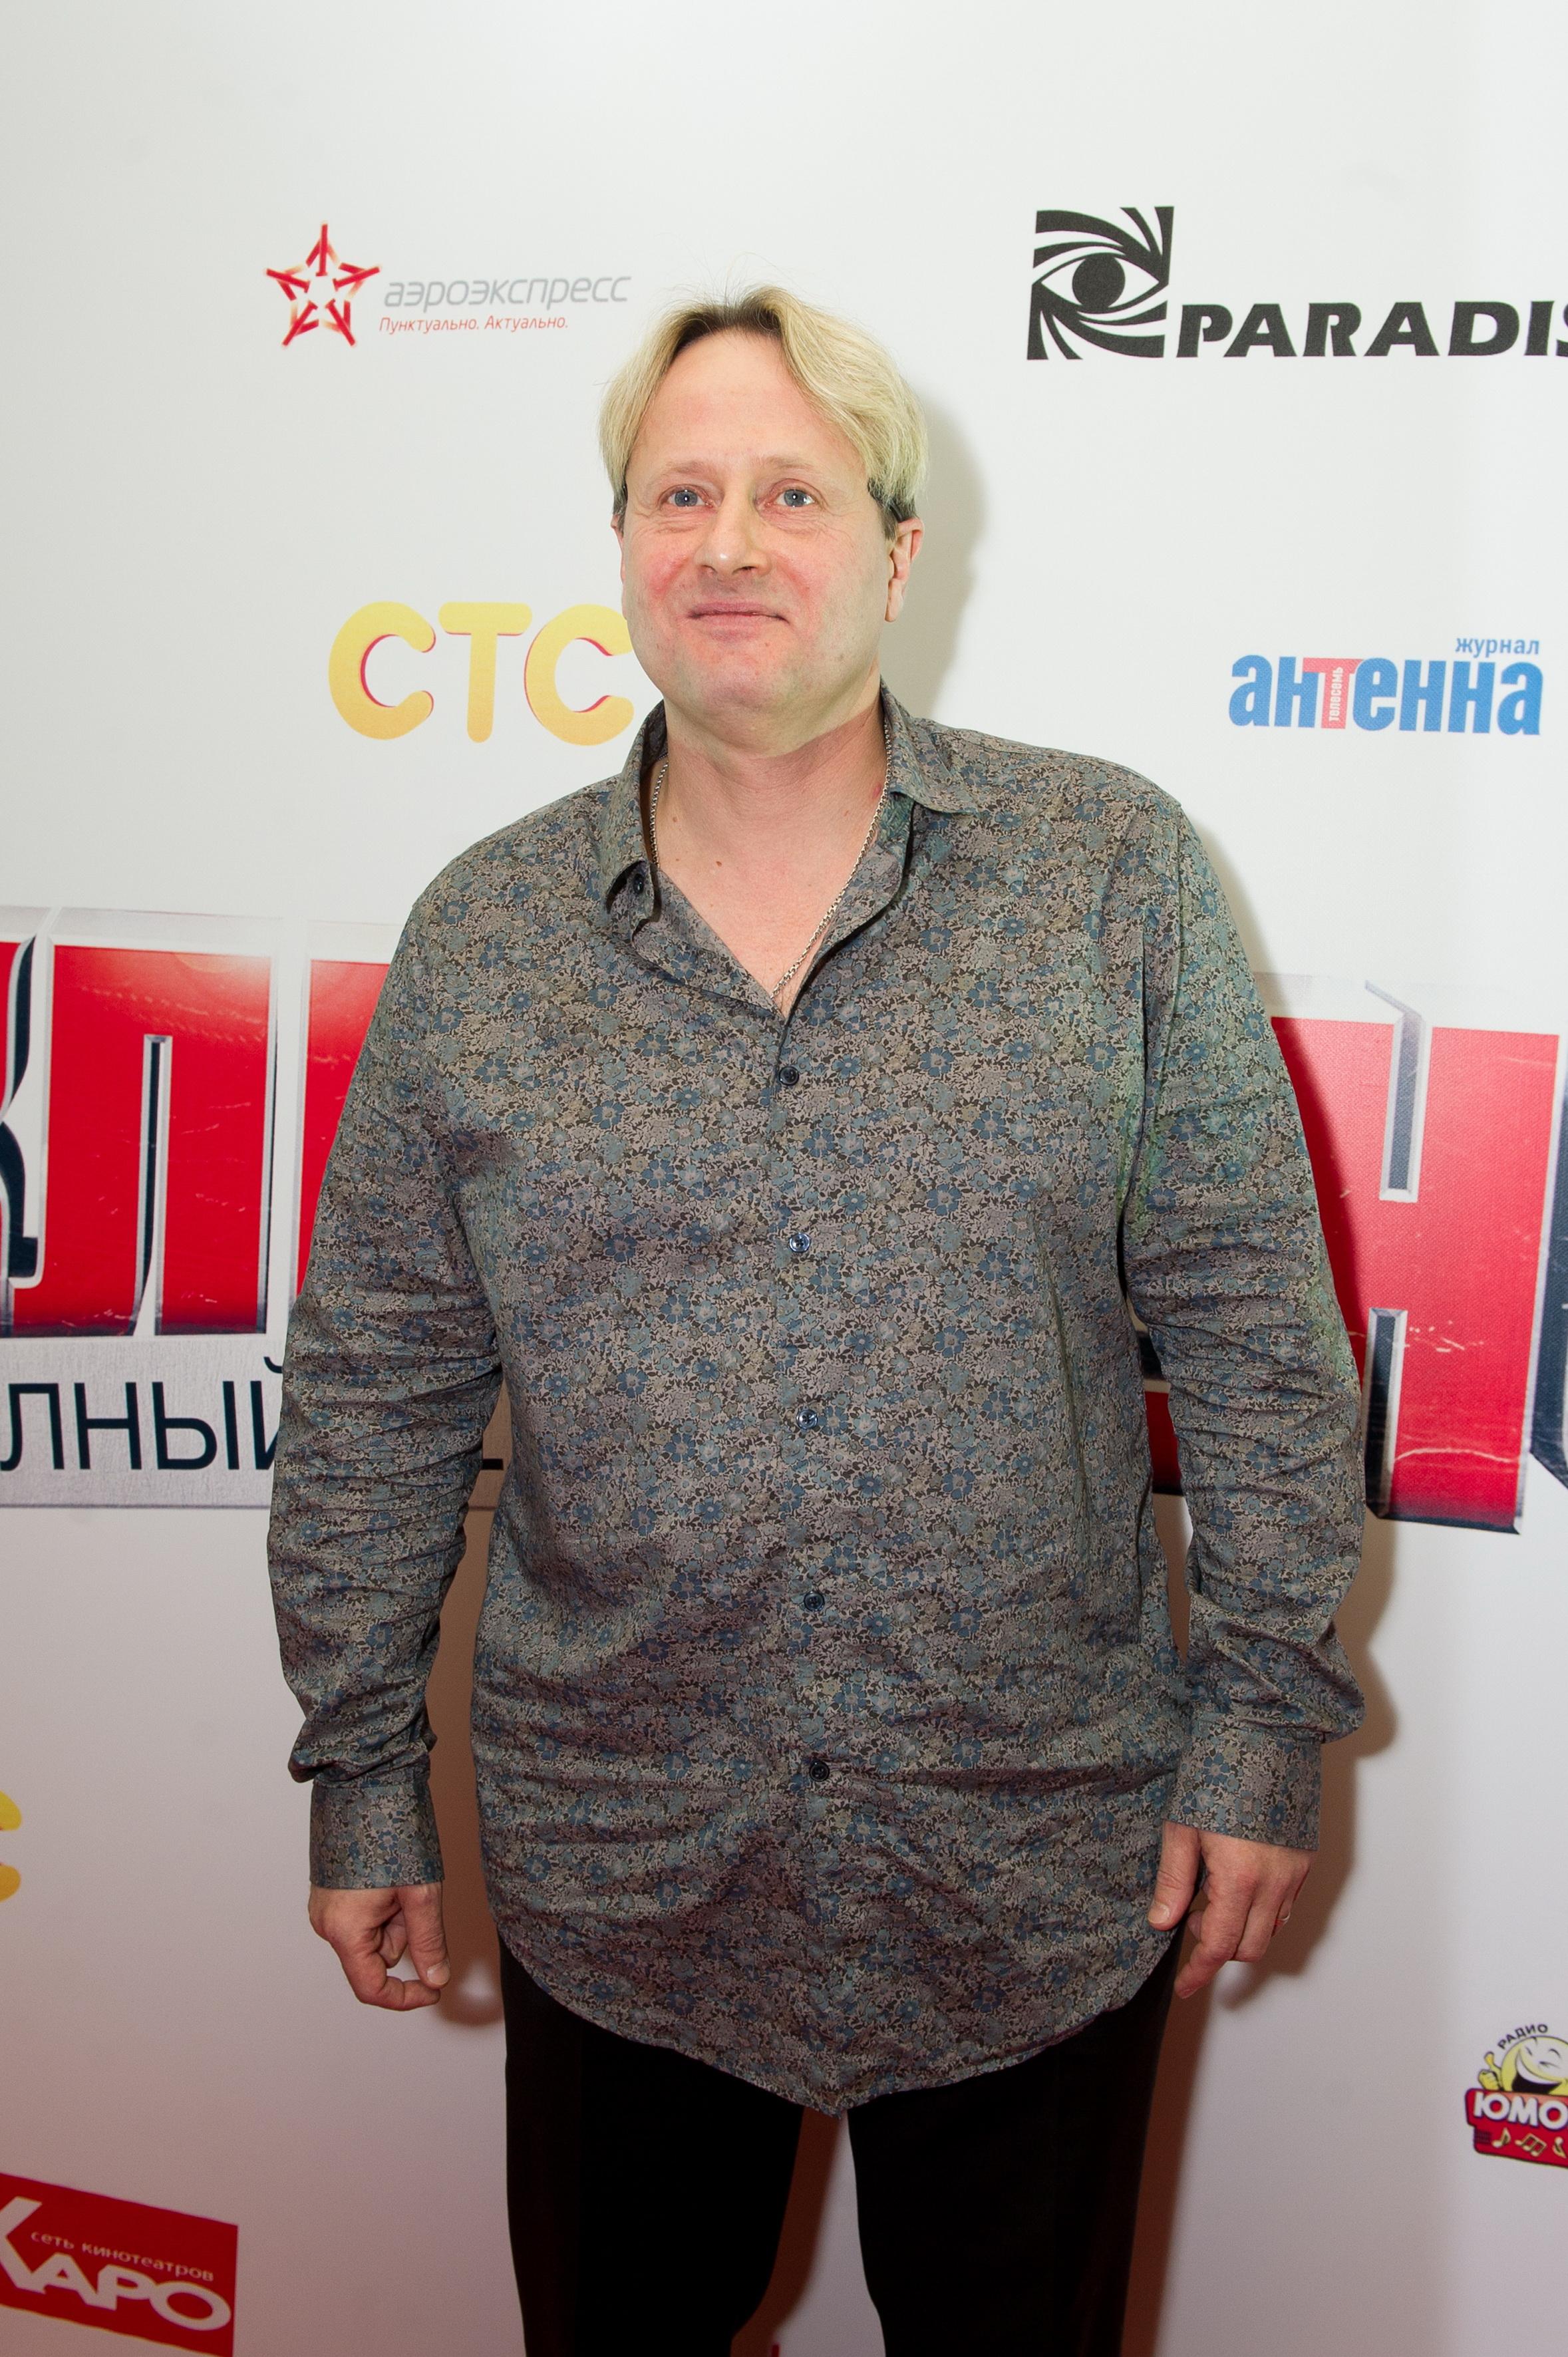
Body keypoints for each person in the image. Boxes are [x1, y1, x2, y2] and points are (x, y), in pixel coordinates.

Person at [268, 287, 1366, 2356]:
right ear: (622, 545)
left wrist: (1261, 1727)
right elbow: (374, 1394)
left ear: (894, 549)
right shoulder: (485, 935)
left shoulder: (1112, 870)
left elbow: (1256, 1340)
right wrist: (360, 1772)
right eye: (679, 494)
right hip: (623, 1869)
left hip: (1040, 1862)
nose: (730, 543)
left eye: (793, 493)